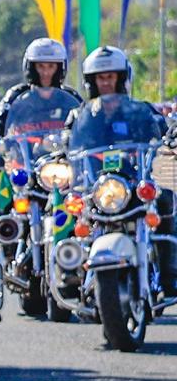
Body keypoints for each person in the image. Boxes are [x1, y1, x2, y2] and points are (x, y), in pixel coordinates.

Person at [66, 46, 177, 295]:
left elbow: (159, 129)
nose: (105, 82)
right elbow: (67, 141)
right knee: (66, 208)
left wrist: (169, 133)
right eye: (100, 78)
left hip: (133, 182)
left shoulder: (139, 111)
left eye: (110, 76)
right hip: (96, 187)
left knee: (166, 199)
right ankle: (68, 272)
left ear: (121, 78)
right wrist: (57, 146)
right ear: (91, 81)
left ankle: (170, 275)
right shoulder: (80, 115)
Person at [0, 38, 83, 135]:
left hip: (63, 150)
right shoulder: (16, 97)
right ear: (31, 67)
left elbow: (86, 130)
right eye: (40, 66)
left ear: (60, 68)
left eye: (51, 66)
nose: (46, 73)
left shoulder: (71, 98)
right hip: (23, 150)